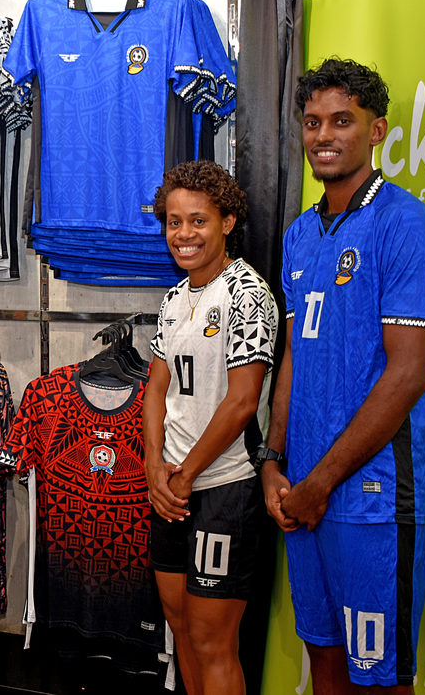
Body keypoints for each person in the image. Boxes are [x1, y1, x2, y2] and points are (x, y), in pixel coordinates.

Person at [259, 58, 425, 693]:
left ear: (377, 130)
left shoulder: (404, 223)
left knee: (380, 681)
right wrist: (274, 460)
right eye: (312, 122)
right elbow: (293, 356)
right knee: (326, 666)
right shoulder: (299, 235)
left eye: (342, 120)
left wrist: (321, 483)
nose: (324, 135)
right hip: (302, 493)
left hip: (370, 499)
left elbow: (407, 375)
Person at [144, 160, 278, 694]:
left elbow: (243, 402)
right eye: (174, 222)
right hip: (171, 488)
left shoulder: (247, 294)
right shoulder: (174, 299)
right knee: (180, 626)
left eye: (198, 221)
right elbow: (156, 388)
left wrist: (186, 474)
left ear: (227, 222)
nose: (184, 234)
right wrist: (154, 467)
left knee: (212, 639)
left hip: (224, 487)